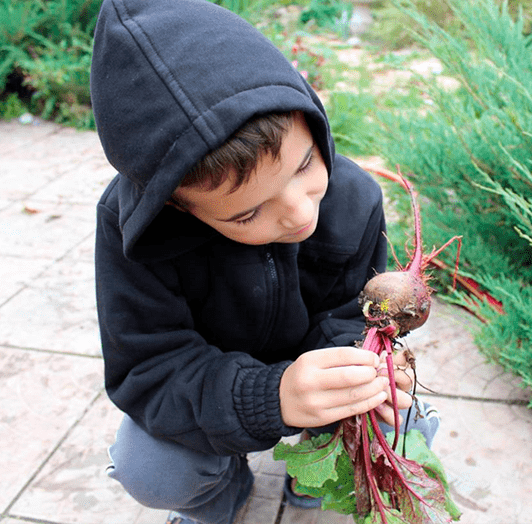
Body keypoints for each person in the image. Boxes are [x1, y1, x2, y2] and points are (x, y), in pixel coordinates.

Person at [90, 1, 439, 522]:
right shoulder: (132, 234)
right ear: (176, 206)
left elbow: (353, 314)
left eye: (305, 165)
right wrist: (271, 397)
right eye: (249, 212)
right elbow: (150, 371)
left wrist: (358, 366)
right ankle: (218, 498)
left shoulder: (354, 196)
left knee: (408, 425)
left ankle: (309, 476)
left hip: (310, 374)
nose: (301, 213)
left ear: (309, 117)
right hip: (218, 393)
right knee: (153, 469)